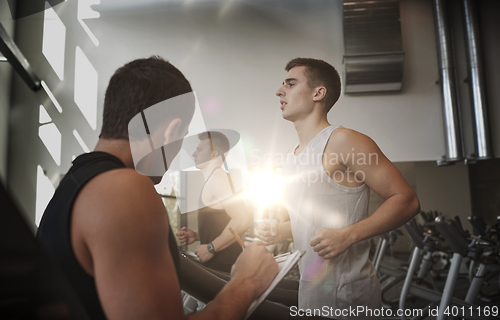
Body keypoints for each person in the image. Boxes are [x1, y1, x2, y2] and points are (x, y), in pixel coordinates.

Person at [37, 56, 278, 320]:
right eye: (183, 140)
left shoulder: (78, 182)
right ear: (171, 131)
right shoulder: (123, 190)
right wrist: (246, 282)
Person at [256, 58, 420, 319]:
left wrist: (348, 235)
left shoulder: (343, 140)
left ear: (318, 93)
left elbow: (407, 200)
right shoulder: (291, 156)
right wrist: (280, 231)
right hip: (311, 287)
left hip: (348, 292)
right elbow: (313, 222)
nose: (279, 91)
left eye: (290, 84)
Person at [176, 131, 251, 272]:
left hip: (224, 266)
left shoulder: (218, 178)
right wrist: (197, 235)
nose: (194, 154)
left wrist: (211, 247)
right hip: (219, 265)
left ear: (213, 154)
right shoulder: (214, 179)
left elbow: (242, 219)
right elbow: (221, 221)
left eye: (199, 149)